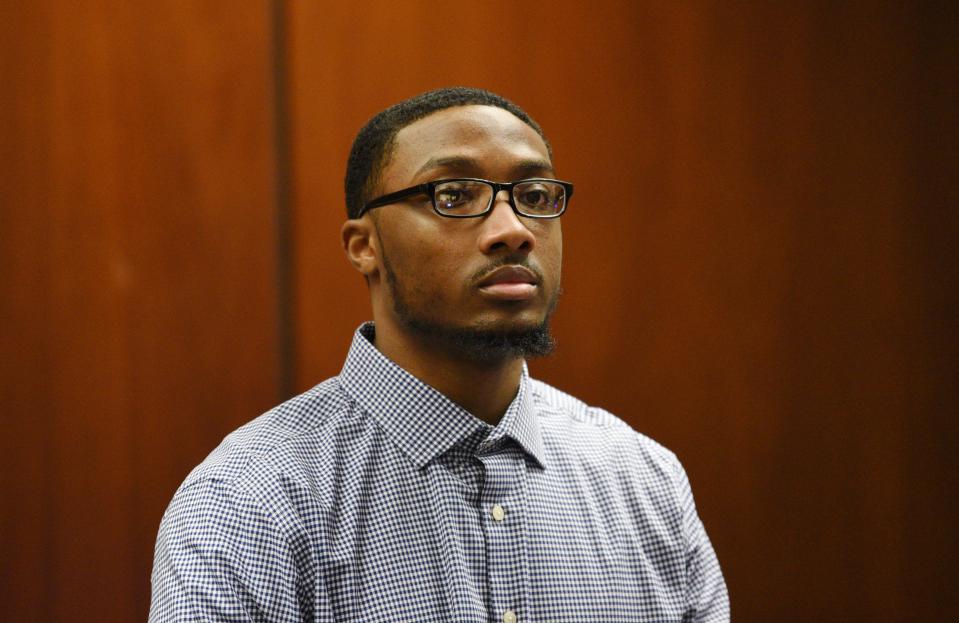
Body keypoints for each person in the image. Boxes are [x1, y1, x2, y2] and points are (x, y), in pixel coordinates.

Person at [149, 87, 729, 622]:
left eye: (533, 195)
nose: (513, 230)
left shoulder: (642, 478)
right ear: (364, 246)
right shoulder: (249, 501)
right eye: (453, 195)